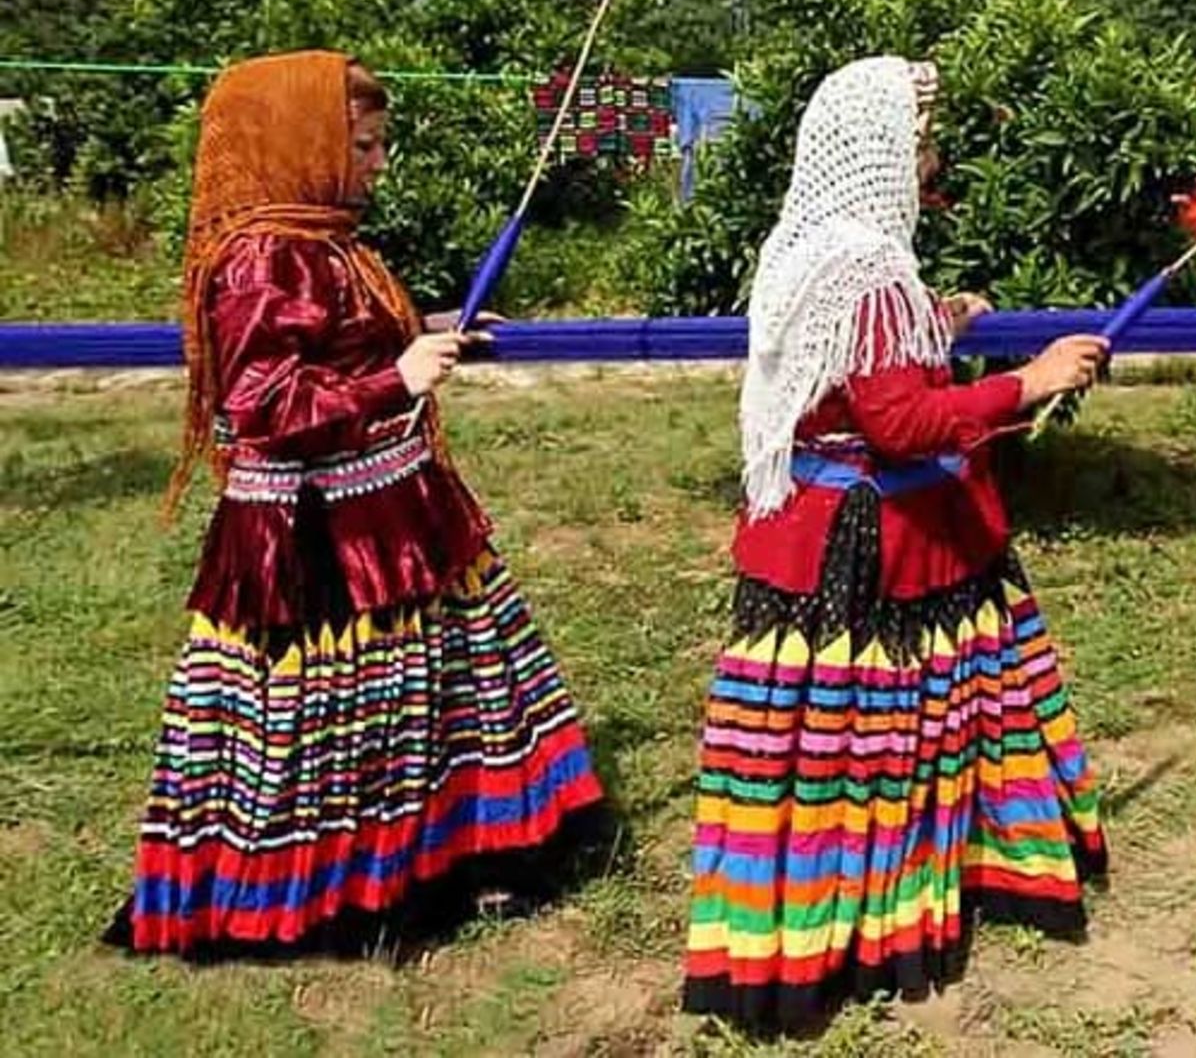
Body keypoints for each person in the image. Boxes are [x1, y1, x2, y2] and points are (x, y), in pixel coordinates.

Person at [107, 51, 603, 955]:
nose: (377, 164)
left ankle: (445, 851)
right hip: (318, 542)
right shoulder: (262, 256)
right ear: (304, 142)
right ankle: (327, 889)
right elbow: (263, 405)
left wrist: (438, 331)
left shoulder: (323, 240)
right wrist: (396, 378)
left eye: (378, 146)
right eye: (365, 145)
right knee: (325, 729)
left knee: (431, 701)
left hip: (392, 512)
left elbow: (344, 349)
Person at [682, 56, 1111, 1029]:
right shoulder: (872, 272)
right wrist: (1030, 380)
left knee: (825, 752)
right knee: (884, 741)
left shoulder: (812, 249)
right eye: (918, 141)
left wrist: (940, 318)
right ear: (876, 150)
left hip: (811, 528)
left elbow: (853, 368)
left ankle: (808, 910)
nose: (929, 159)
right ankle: (886, 913)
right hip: (880, 547)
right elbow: (901, 423)